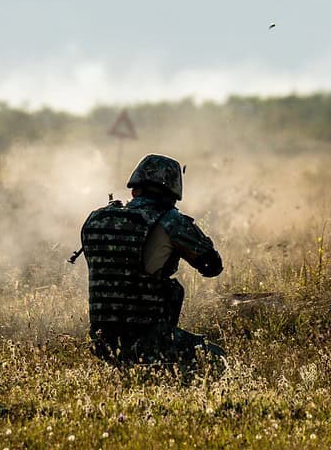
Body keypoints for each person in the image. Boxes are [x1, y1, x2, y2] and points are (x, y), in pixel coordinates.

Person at [79, 154, 224, 366]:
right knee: (215, 358)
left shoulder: (96, 218)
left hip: (101, 341)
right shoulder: (170, 221)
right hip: (147, 340)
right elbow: (212, 266)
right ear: (172, 193)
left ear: (134, 188)